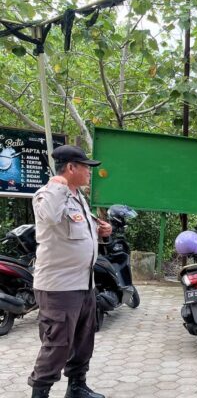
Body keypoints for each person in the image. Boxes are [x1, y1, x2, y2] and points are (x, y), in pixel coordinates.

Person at [28, 145, 112, 398]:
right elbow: (51, 218)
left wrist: (100, 232)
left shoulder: (78, 197)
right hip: (59, 287)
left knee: (83, 341)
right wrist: (57, 184)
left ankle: (76, 387)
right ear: (71, 168)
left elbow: (76, 231)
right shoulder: (47, 194)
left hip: (84, 283)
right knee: (57, 344)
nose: (89, 172)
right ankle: (40, 393)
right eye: (85, 166)